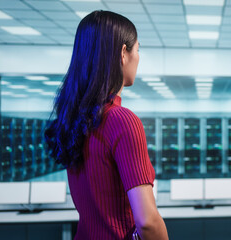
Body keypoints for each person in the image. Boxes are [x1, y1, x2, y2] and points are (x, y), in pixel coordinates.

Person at [44, 10, 168, 240]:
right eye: (137, 49)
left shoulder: (75, 120)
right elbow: (148, 222)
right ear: (123, 53)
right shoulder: (122, 121)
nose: (138, 57)